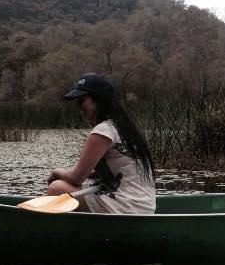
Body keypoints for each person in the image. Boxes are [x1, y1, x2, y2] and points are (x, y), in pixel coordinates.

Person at [48, 73, 156, 214]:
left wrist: (56, 172)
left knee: (56, 188)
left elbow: (76, 177)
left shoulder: (103, 130)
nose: (79, 107)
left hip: (126, 206)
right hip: (145, 206)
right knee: (82, 185)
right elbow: (118, 169)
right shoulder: (125, 127)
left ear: (98, 100)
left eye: (82, 101)